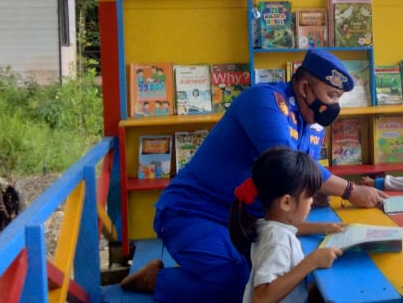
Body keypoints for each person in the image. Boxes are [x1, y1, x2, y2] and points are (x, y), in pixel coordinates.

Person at [121, 49, 388, 301]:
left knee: (275, 269)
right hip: (192, 212)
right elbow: (287, 163)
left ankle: (204, 265)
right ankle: (157, 281)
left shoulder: (312, 124)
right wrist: (351, 191)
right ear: (305, 87)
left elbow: (304, 174)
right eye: (330, 95)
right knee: (235, 282)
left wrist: (313, 192)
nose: (333, 105)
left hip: (244, 219)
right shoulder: (265, 102)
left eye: (338, 98)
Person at [231, 148, 343, 303]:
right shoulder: (277, 241)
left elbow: (294, 228)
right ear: (286, 202)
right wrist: (311, 262)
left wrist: (323, 227)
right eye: (309, 196)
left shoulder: (270, 224)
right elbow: (261, 298)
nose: (311, 202)